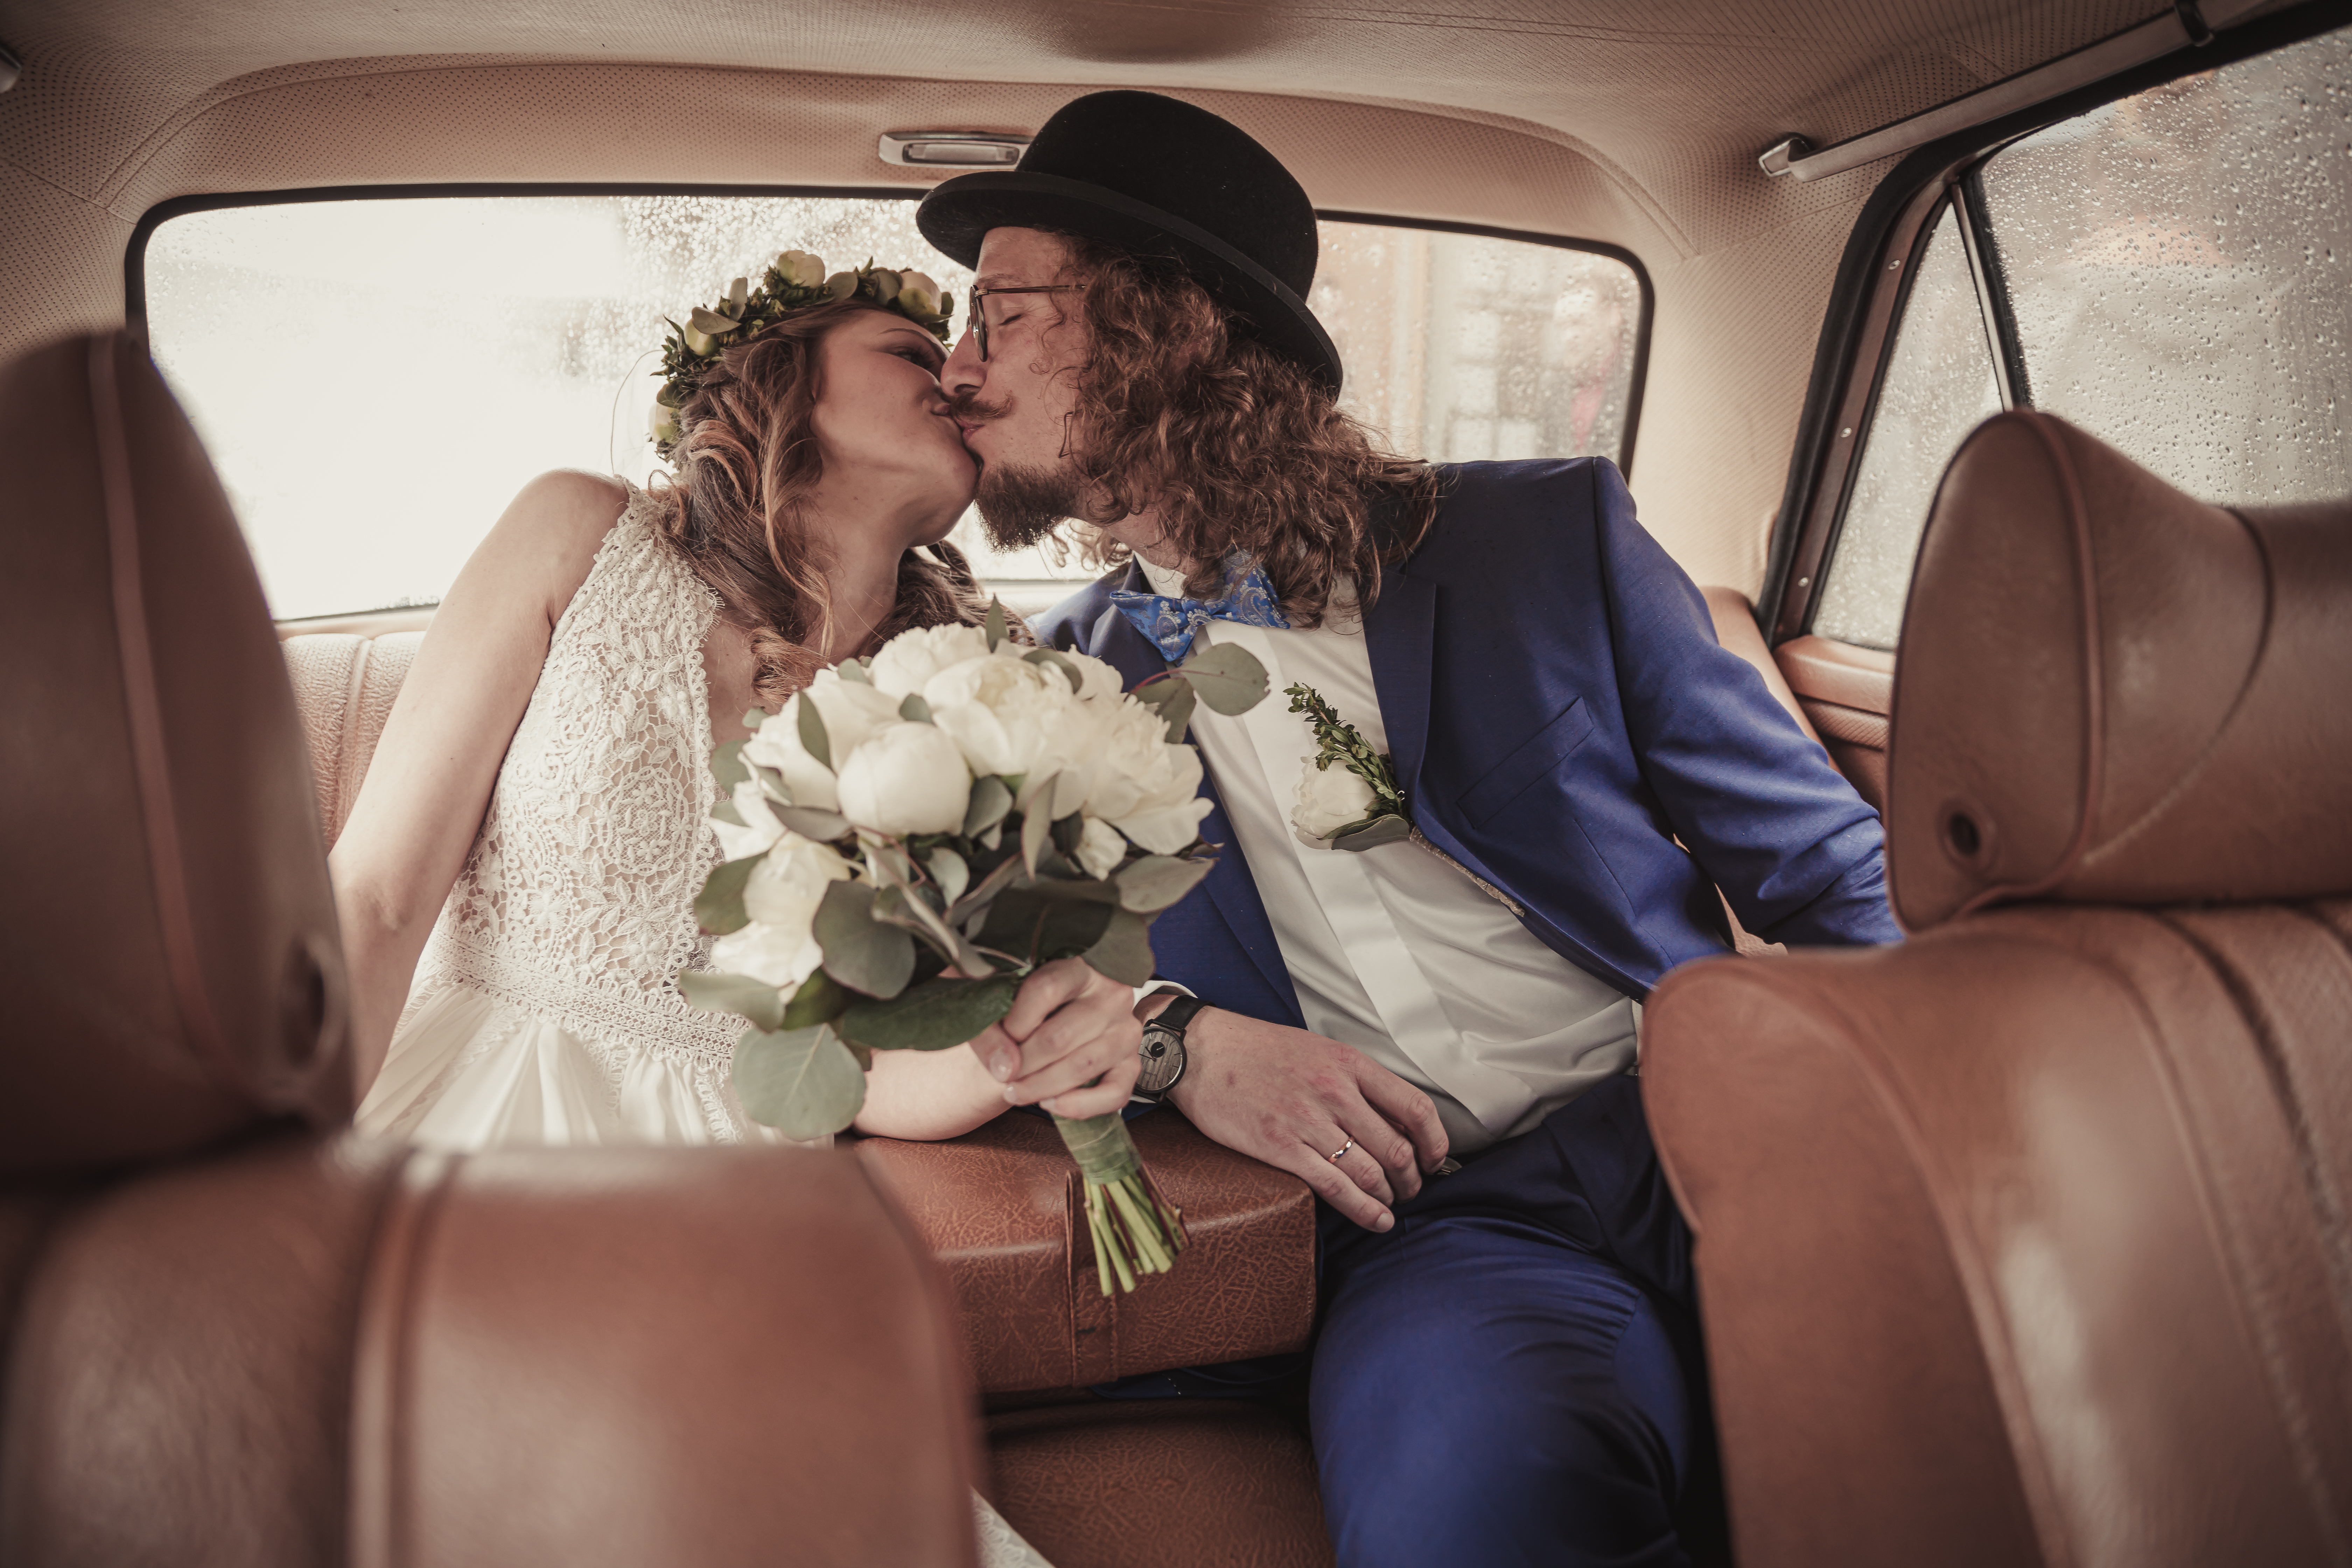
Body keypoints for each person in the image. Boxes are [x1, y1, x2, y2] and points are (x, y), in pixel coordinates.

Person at [916, 90, 1902, 1567]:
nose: (959, 363)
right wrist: (1176, 1039)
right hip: (1444, 1226)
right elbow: (996, 1005)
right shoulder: (1045, 695)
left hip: (1726, 1118)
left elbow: (1826, 872)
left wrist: (1923, 1123)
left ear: (1156, 329)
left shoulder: (1544, 540)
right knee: (1481, 1501)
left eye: (998, 312)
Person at [327, 254, 1136, 1568]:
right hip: (469, 1121)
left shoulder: (984, 688)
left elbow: (869, 1074)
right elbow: (373, 895)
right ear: (782, 382)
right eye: (910, 351)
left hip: (737, 1182)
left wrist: (1034, 1039)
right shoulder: (579, 536)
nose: (958, 378)